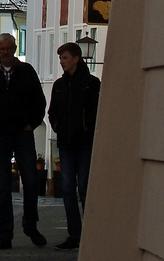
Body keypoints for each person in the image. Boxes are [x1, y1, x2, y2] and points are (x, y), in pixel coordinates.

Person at [0, 32, 47, 249]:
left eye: (9, 48)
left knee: (30, 180)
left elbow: (39, 100)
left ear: (15, 48)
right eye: (2, 49)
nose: (5, 52)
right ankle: (4, 234)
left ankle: (30, 225)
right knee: (3, 186)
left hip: (22, 133)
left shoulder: (27, 72)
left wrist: (32, 123)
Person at [47, 43, 100, 251]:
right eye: (60, 58)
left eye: (65, 58)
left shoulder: (91, 83)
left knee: (85, 188)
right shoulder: (59, 85)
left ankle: (90, 233)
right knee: (68, 189)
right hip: (67, 143)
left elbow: (97, 110)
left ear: (76, 58)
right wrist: (58, 126)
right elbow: (52, 112)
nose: (62, 62)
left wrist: (88, 128)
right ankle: (75, 234)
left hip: (85, 143)